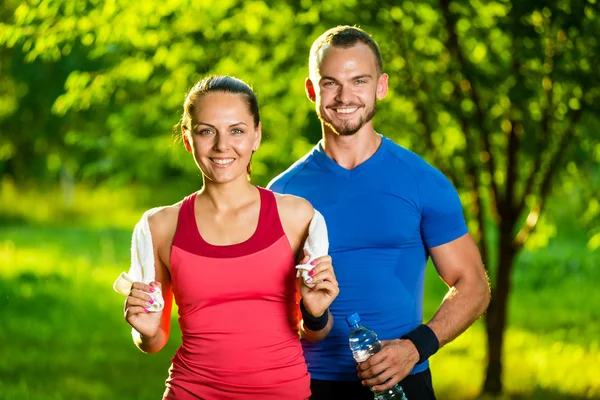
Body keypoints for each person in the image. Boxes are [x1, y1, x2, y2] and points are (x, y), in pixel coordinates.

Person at [267, 26, 491, 400]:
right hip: (306, 385)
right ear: (311, 90)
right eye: (330, 84)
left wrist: (415, 347)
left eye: (359, 81)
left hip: (404, 381)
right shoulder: (282, 194)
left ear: (381, 86)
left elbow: (474, 285)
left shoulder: (422, 181)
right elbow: (266, 305)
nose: (344, 97)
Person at [123, 75, 339, 400]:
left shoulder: (296, 217)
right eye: (206, 131)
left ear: (256, 136)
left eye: (236, 130)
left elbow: (315, 333)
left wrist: (316, 311)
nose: (222, 145)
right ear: (188, 138)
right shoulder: (160, 226)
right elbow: (153, 341)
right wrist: (145, 330)